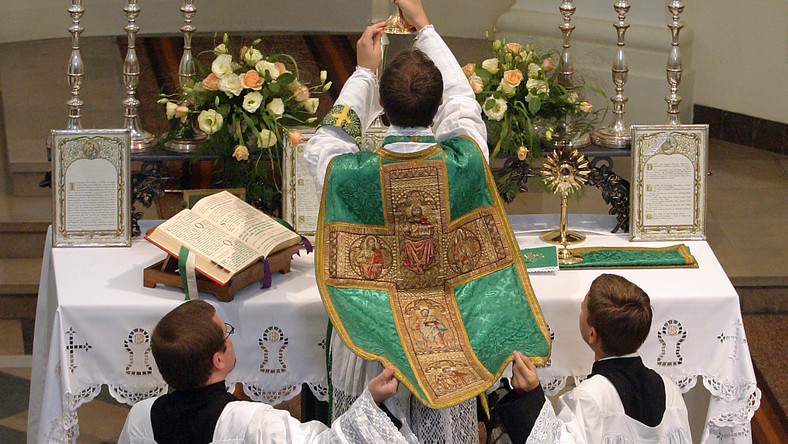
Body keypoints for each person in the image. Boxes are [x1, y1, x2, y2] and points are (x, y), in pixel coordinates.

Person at [303, 1, 550, 442]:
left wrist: (363, 72)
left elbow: (325, 142)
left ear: (381, 104)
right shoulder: (464, 161)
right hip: (448, 342)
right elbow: (464, 104)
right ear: (436, 104)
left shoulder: (351, 173)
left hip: (373, 345)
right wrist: (425, 27)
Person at [118, 300, 416, 444]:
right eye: (226, 334)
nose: (230, 339)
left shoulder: (140, 417)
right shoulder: (250, 423)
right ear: (217, 361)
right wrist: (371, 401)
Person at [495, 274, 692, 444]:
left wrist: (531, 395)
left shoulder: (590, 397)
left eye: (583, 308)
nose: (580, 309)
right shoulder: (670, 391)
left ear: (592, 335)